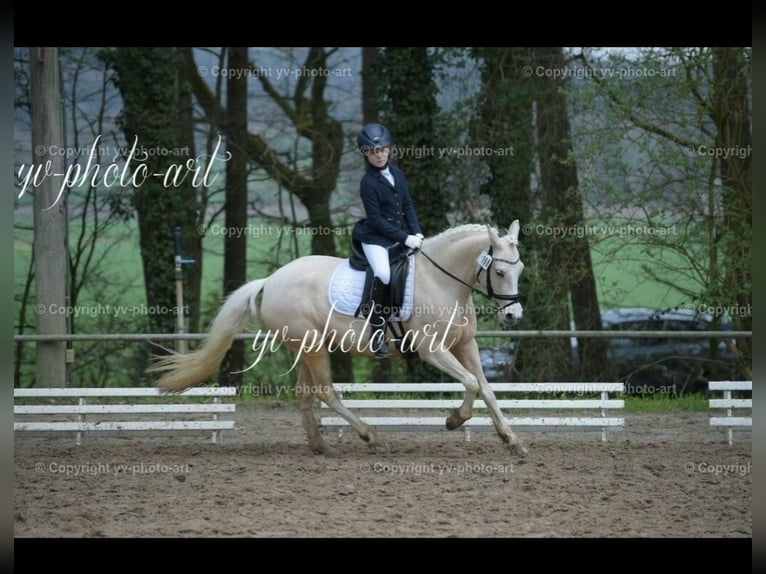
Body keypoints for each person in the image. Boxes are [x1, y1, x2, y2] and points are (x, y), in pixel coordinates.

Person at [351, 123, 424, 358]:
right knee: (383, 273)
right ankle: (377, 333)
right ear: (366, 154)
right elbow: (376, 220)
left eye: (382, 150)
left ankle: (406, 331)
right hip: (375, 238)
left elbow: (407, 205)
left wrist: (417, 232)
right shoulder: (368, 183)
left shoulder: (397, 174)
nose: (379, 155)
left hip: (400, 235)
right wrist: (405, 237)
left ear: (389, 149)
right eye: (373, 152)